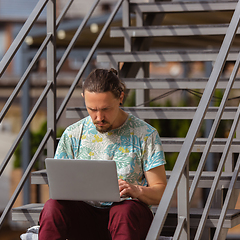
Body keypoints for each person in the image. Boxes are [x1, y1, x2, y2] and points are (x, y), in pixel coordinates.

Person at [38, 68, 167, 240]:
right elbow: (59, 188)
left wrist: (136, 190)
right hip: (85, 216)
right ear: (84, 99)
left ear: (120, 98)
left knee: (123, 211)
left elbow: (160, 192)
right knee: (52, 207)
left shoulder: (145, 134)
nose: (99, 117)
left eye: (106, 109)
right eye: (92, 109)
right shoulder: (73, 133)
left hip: (127, 216)